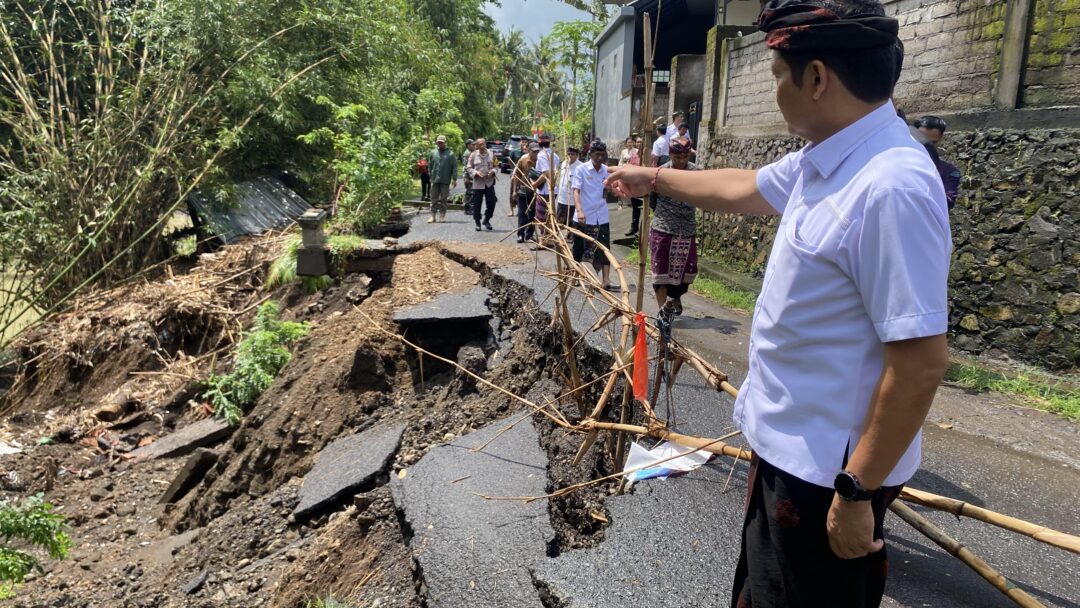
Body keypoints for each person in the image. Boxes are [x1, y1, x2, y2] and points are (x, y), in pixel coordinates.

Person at [605, 1, 951, 606]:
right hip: (793, 456)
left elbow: (920, 363)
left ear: (816, 78)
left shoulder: (890, 184)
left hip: (828, 479)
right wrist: (653, 178)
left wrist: (856, 492)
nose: (773, 92)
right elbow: (744, 187)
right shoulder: (833, 157)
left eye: (775, 77)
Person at [648, 136, 700, 314]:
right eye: (678, 158)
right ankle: (662, 311)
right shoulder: (660, 174)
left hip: (686, 228)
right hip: (663, 227)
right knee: (661, 272)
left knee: (687, 270)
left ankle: (675, 297)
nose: (682, 161)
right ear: (670, 155)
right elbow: (652, 200)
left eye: (685, 157)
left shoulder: (697, 173)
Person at [572, 141, 614, 290]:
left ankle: (606, 280)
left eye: (603, 155)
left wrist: (613, 190)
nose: (600, 158)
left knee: (604, 248)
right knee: (578, 248)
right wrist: (579, 210)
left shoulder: (606, 170)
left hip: (601, 215)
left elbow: (610, 189)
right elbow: (576, 190)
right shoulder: (581, 170)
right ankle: (575, 276)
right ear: (590, 154)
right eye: (597, 154)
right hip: (584, 215)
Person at [915, 115, 962, 208]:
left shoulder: (950, 172)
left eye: (932, 143)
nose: (926, 147)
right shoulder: (898, 165)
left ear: (941, 140)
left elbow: (948, 201)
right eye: (921, 142)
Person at [466, 138, 497, 231]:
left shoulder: (492, 154)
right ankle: (477, 222)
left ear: (486, 144)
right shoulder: (473, 155)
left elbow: (496, 165)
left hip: (489, 182)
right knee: (477, 204)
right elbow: (468, 167)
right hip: (478, 183)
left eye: (483, 144)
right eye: (480, 144)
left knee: (492, 202)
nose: (482, 146)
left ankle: (487, 219)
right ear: (477, 145)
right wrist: (475, 173)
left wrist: (493, 171)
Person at [532, 133, 560, 231]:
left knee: (541, 218)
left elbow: (546, 173)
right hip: (552, 190)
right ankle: (547, 238)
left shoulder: (542, 155)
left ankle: (545, 240)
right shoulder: (555, 155)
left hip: (545, 190)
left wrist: (535, 184)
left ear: (539, 143)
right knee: (549, 216)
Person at [513, 142, 540, 243]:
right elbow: (517, 176)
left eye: (538, 151)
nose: (536, 154)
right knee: (522, 214)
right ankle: (521, 234)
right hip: (524, 190)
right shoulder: (523, 160)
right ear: (529, 151)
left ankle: (529, 234)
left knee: (533, 215)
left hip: (536, 192)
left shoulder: (540, 161)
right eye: (534, 152)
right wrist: (514, 191)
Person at [427, 135, 458, 224]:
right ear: (436, 142)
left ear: (445, 143)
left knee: (444, 198)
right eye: (438, 142)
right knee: (433, 198)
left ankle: (442, 215)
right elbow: (430, 165)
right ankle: (432, 215)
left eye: (441, 142)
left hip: (445, 179)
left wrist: (454, 179)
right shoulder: (433, 153)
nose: (440, 143)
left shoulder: (450, 154)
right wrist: (430, 176)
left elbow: (454, 167)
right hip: (434, 179)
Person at [555, 146, 583, 229]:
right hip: (562, 197)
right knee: (560, 220)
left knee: (571, 221)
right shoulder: (564, 163)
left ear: (577, 155)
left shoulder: (580, 167)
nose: (570, 156)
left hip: (572, 199)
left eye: (573, 154)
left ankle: (570, 237)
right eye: (569, 154)